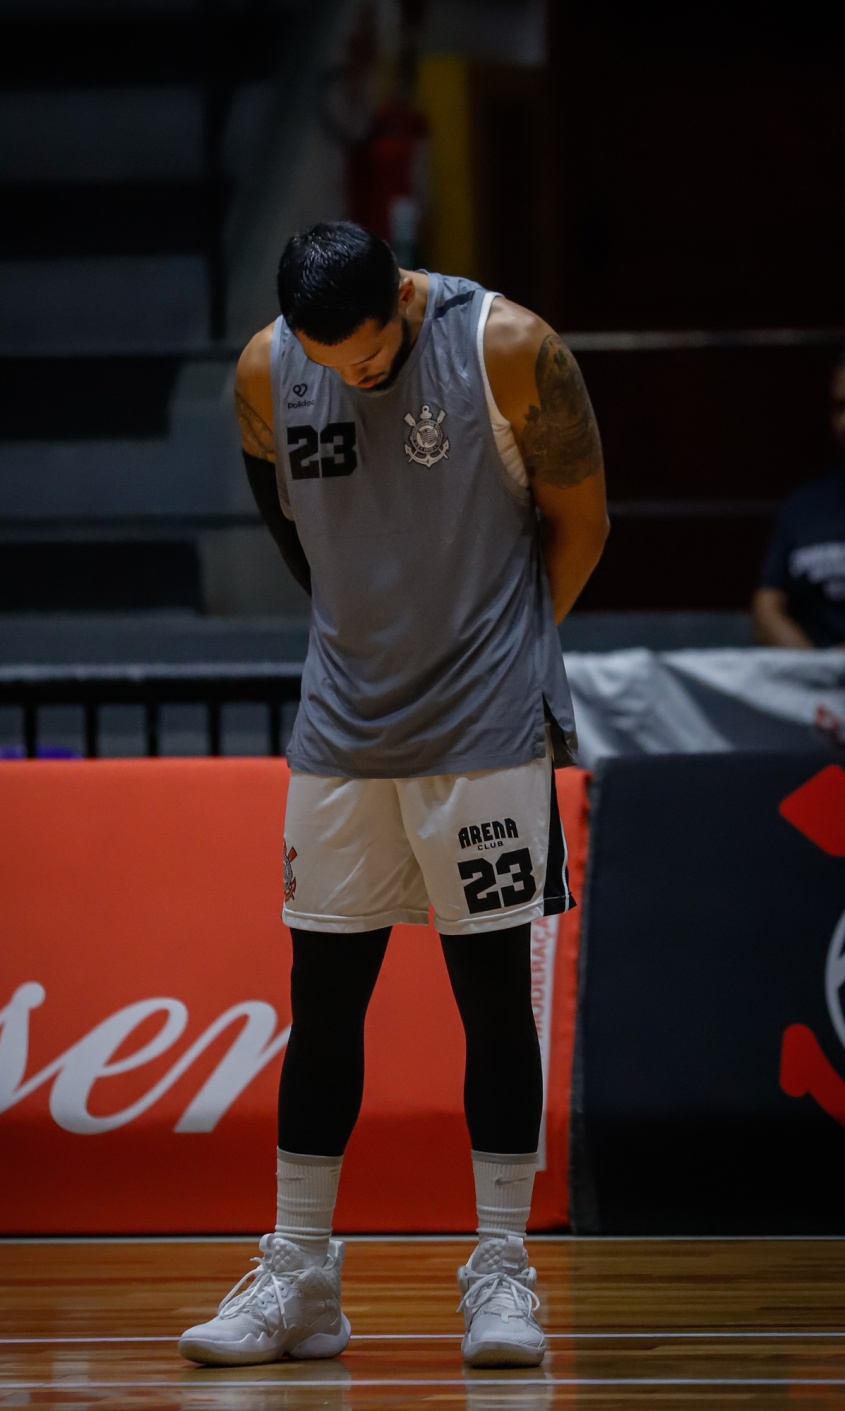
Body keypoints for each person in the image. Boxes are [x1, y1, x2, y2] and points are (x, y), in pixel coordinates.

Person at [179, 222, 608, 1370]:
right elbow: (293, 533)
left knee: (488, 1005)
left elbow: (583, 520)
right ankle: (301, 1277)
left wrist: (502, 652)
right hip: (339, 734)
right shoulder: (272, 368)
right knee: (320, 1004)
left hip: (484, 732)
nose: (353, 378)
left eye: (369, 359)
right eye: (334, 365)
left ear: (403, 299)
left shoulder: (506, 345)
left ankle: (502, 1272)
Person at [751, 352, 845, 648]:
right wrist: (818, 671)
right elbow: (767, 606)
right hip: (812, 683)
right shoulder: (804, 505)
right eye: (841, 407)